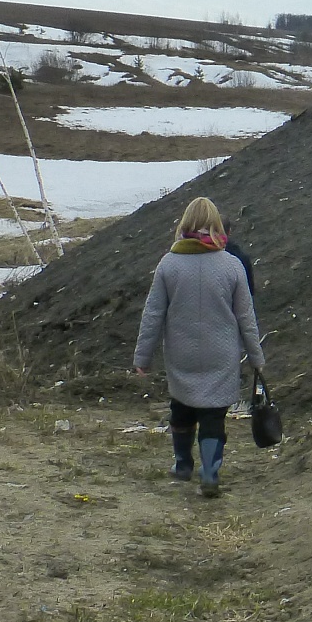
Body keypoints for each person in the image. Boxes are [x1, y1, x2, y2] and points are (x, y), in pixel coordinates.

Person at [132, 197, 266, 498]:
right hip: (222, 353)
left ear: (184, 225)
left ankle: (182, 464)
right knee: (213, 415)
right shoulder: (232, 266)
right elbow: (246, 316)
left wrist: (143, 356)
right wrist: (256, 357)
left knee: (181, 409)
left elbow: (153, 314)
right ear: (218, 226)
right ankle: (210, 472)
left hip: (182, 353)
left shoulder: (169, 263)